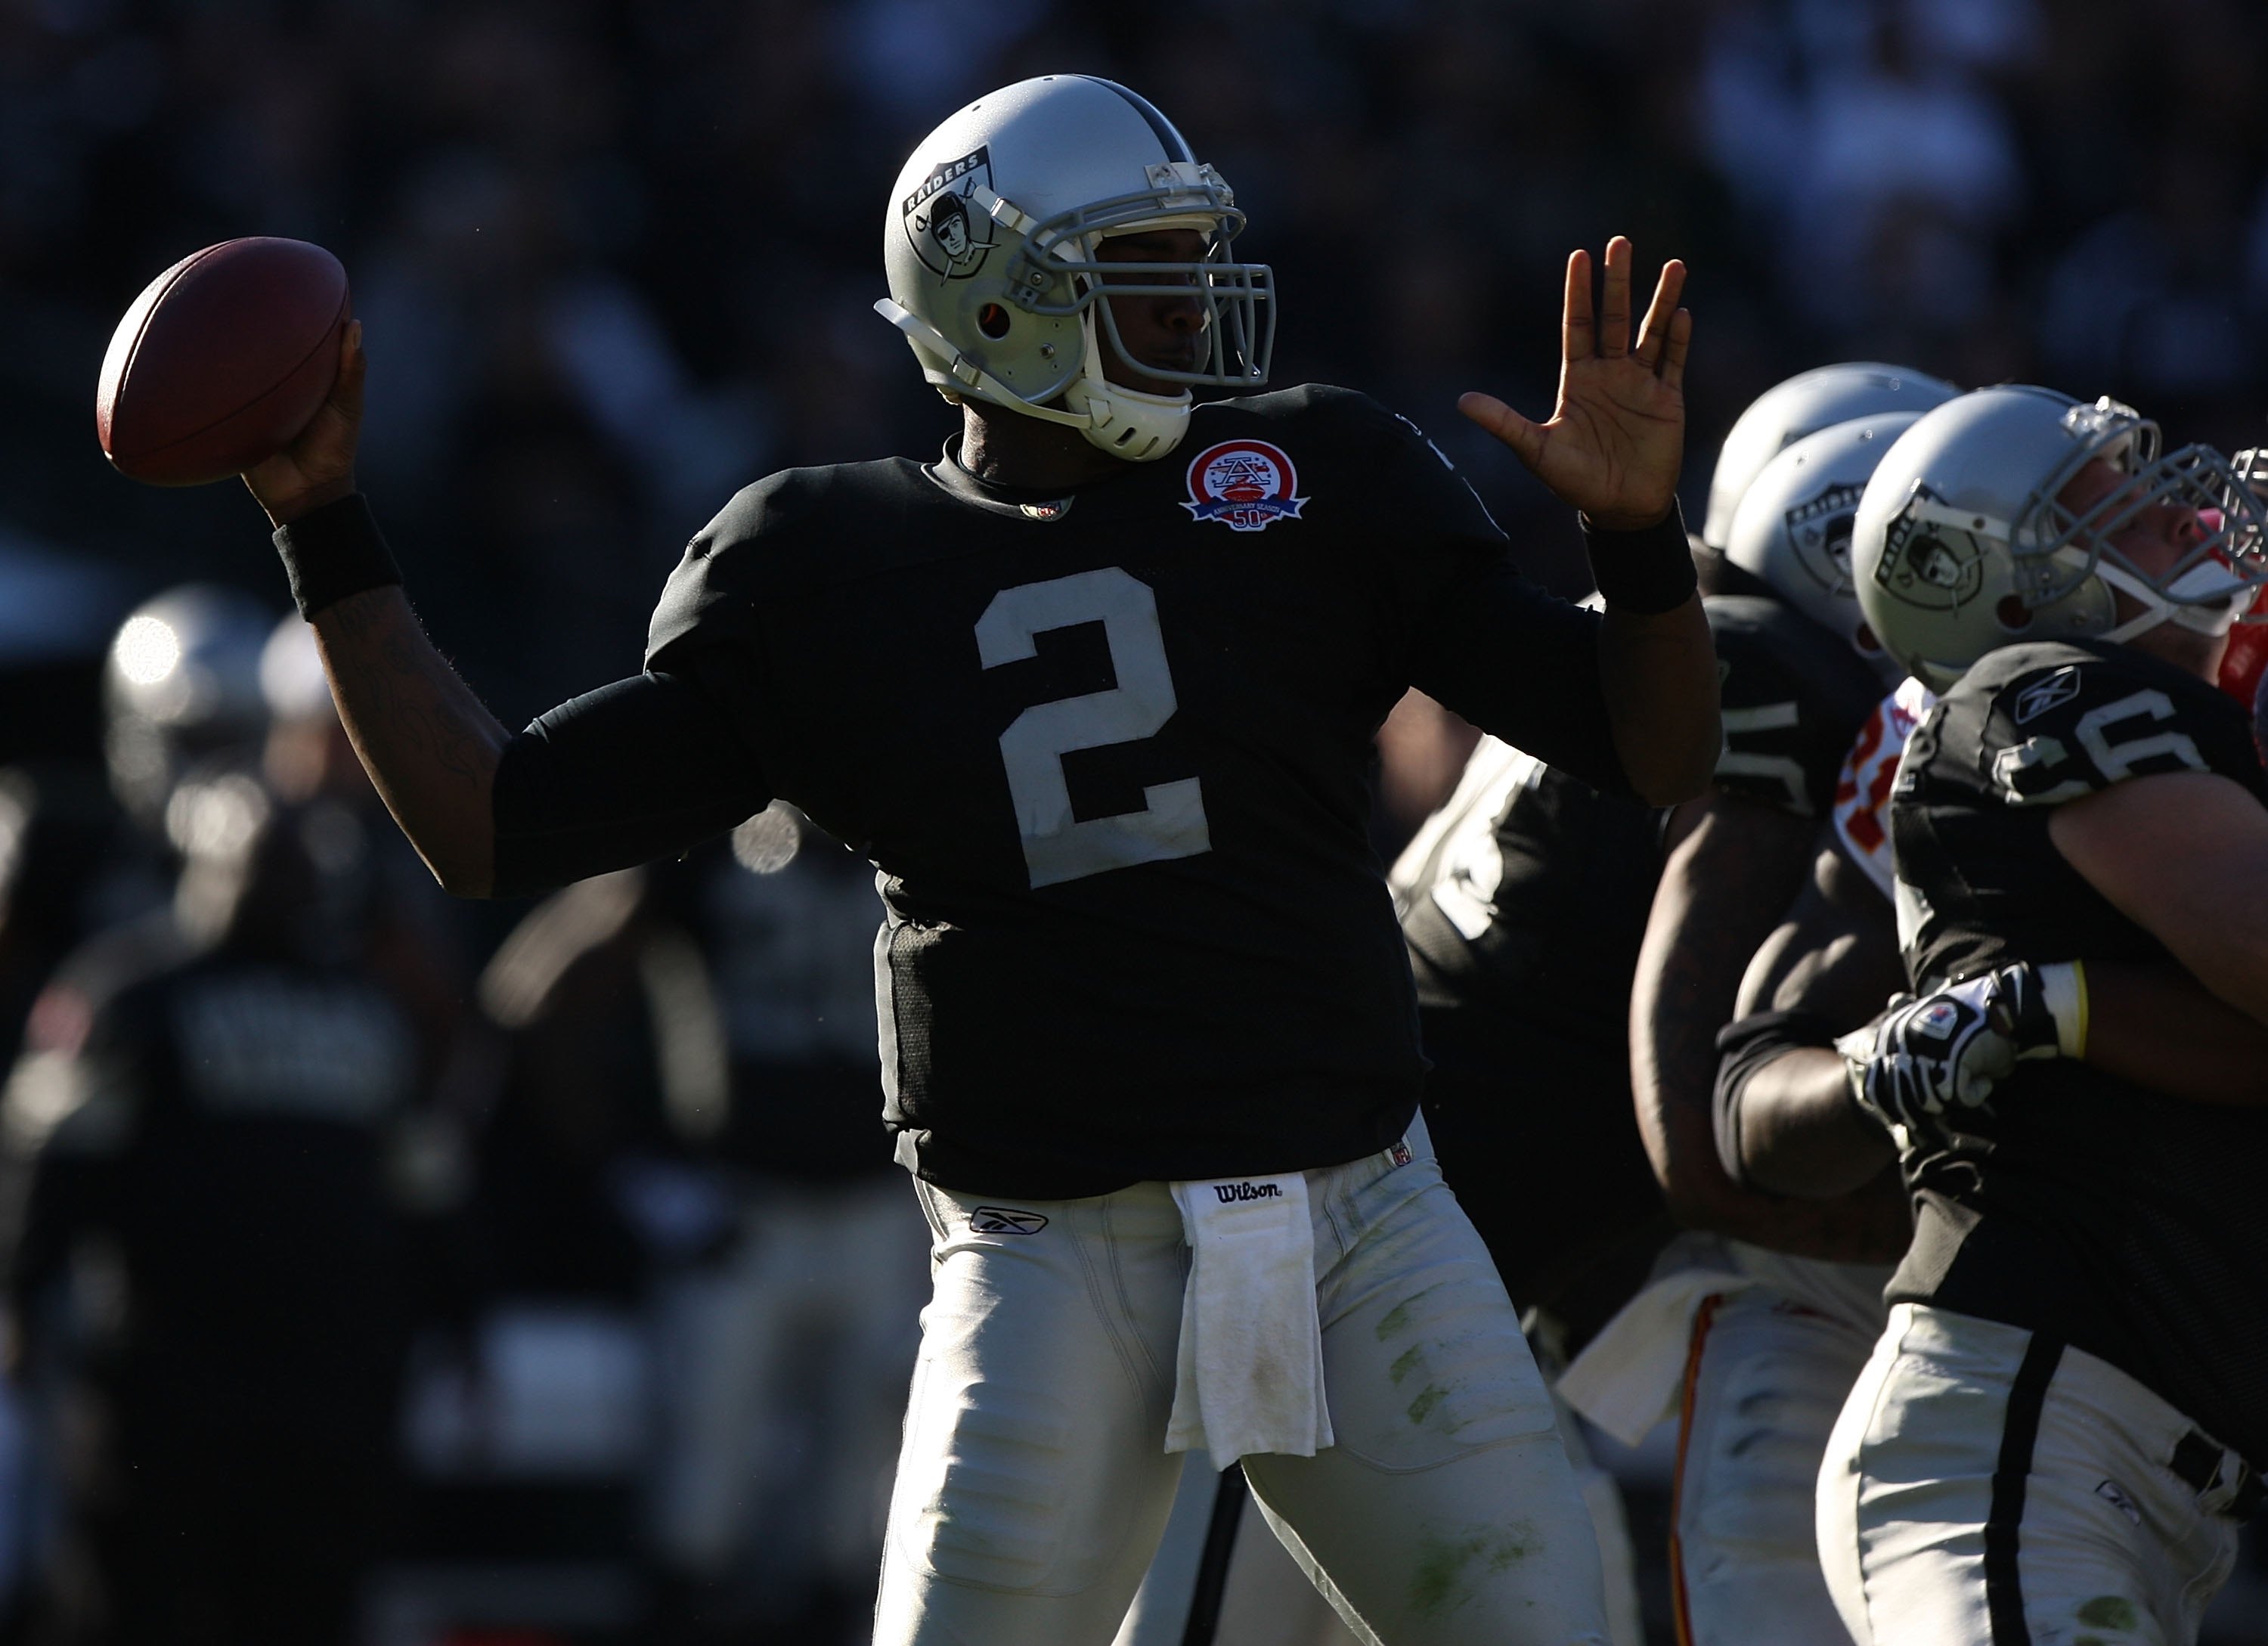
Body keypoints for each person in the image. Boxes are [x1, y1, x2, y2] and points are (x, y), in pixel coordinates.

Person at [231, 75, 1719, 1645]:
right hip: (1046, 1254)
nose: (1196, 299)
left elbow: (1650, 748)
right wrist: (323, 525)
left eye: (1191, 255)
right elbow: (488, 825)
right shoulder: (819, 560)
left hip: (1360, 1221)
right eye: (1144, 266)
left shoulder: (1317, 475)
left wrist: (1634, 542)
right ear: (1000, 299)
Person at [1724, 386, 2268, 1644]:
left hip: (2126, 1463)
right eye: (2114, 507)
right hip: (2026, 1430)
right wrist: (2032, 1014)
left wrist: (2061, 1004)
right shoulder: (2044, 685)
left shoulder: (2191, 734)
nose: (2186, 513)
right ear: (2009, 586)